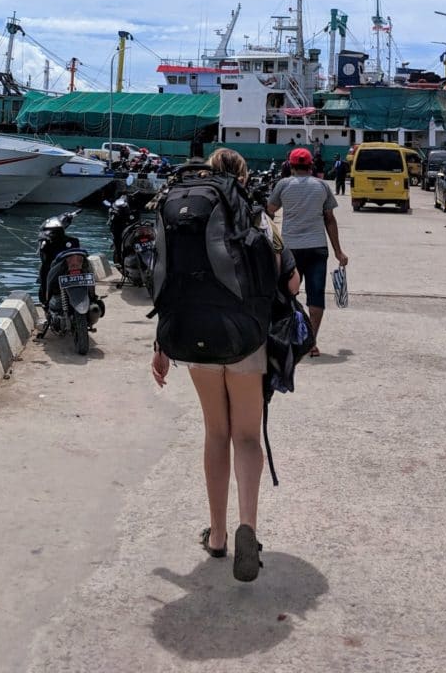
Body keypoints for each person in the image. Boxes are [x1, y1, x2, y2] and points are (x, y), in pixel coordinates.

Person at [151, 147, 299, 582]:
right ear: (243, 177)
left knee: (216, 433)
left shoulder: (182, 214)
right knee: (247, 436)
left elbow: (166, 281)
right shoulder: (255, 217)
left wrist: (160, 345)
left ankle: (216, 535)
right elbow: (289, 280)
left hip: (193, 340)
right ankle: (247, 528)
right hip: (244, 339)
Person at [267, 147, 348, 358]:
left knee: (286, 294)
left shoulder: (283, 185)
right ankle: (311, 342)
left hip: (291, 249)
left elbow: (270, 210)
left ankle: (286, 339)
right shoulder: (321, 186)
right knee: (316, 296)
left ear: (291, 166)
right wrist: (338, 251)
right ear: (311, 165)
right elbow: (330, 219)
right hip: (317, 248)